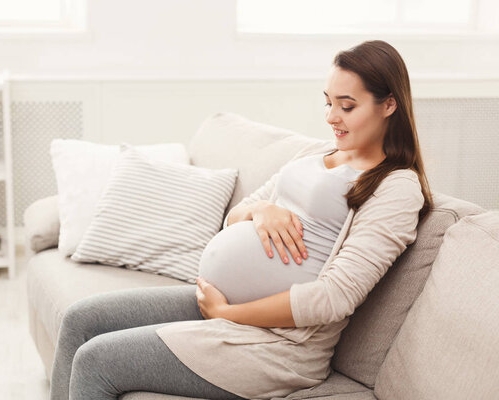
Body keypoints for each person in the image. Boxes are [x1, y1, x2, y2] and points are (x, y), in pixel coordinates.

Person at [49, 39, 432, 400]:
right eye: (328, 102)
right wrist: (262, 210)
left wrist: (227, 313)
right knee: (79, 320)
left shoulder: (396, 187)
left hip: (275, 345)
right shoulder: (314, 155)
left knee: (96, 361)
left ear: (389, 105)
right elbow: (234, 216)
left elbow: (333, 298)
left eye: (347, 106)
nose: (332, 117)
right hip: (223, 307)